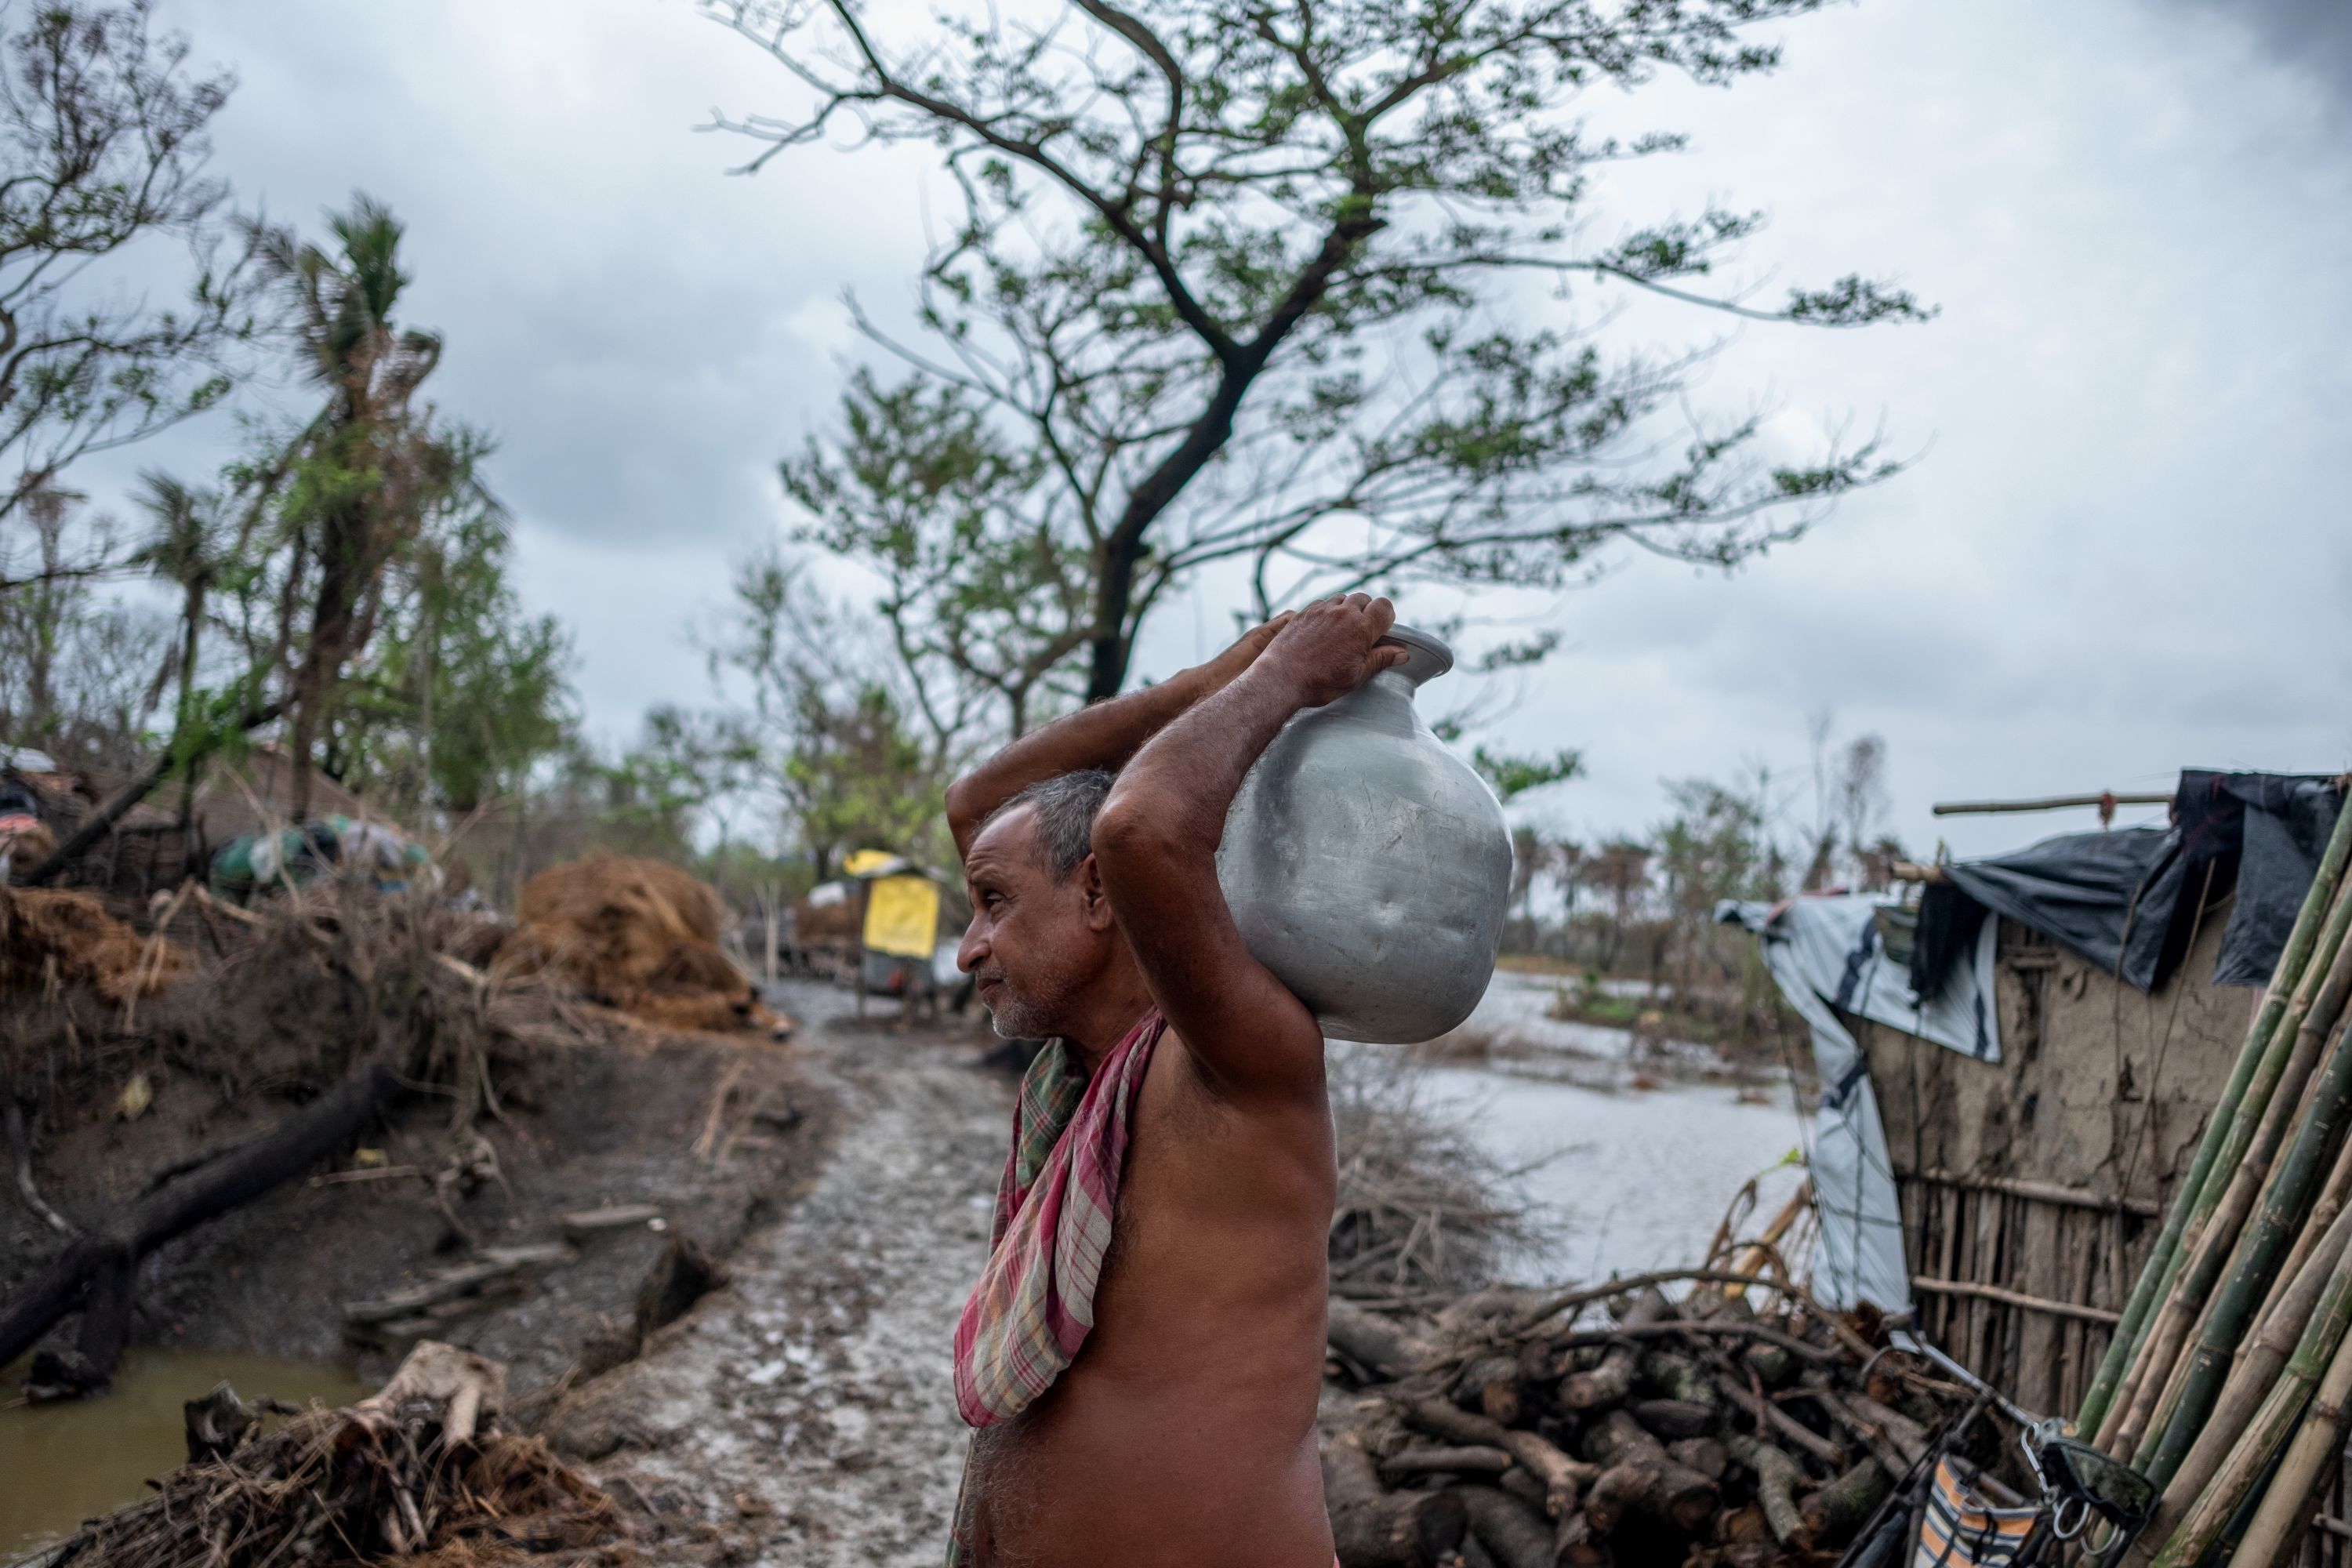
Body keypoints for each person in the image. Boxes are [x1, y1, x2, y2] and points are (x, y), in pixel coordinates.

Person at [942, 593, 1410, 1567]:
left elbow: (1145, 825)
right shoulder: (1084, 1070)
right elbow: (976, 801)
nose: (966, 949)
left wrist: (1282, 682)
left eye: (993, 903)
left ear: (1103, 892)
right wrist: (1215, 679)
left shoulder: (1238, 1058)